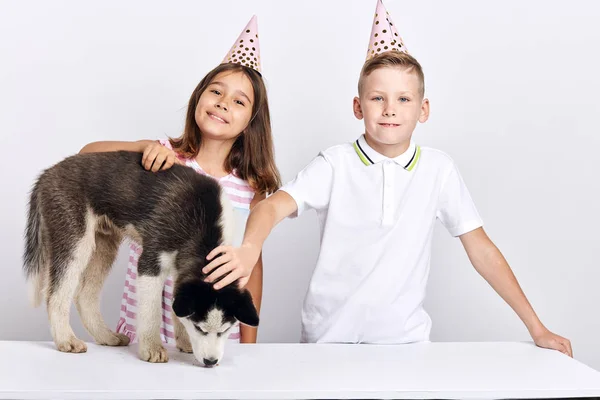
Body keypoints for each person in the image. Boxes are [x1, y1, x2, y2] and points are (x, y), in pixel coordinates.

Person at [201, 1, 573, 357]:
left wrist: (537, 328)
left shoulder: (438, 170)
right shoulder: (335, 163)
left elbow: (483, 251)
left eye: (404, 99)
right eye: (378, 98)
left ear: (423, 109)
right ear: (358, 107)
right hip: (327, 343)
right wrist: (248, 250)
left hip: (406, 347)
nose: (391, 109)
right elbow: (270, 208)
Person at [79, 16, 280, 347]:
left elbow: (250, 265)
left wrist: (249, 342)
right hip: (143, 333)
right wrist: (142, 147)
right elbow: (86, 156)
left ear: (250, 123)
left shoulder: (249, 190)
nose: (223, 102)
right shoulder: (162, 159)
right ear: (198, 98)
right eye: (215, 91)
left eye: (239, 101)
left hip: (207, 340)